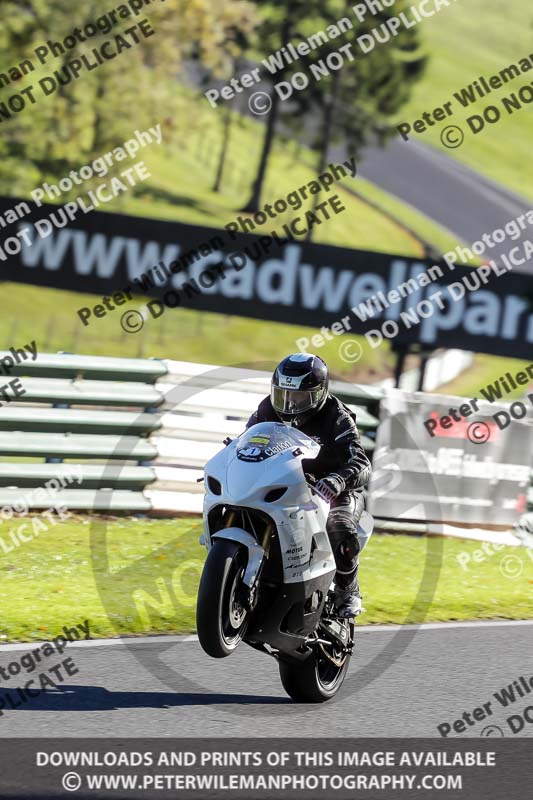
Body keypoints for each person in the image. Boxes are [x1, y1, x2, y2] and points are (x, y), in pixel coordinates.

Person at [246, 353, 372, 617]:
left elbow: (361, 462)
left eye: (300, 398)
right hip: (286, 483)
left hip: (332, 490)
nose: (290, 405)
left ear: (319, 393)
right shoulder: (267, 409)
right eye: (284, 395)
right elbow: (244, 443)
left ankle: (348, 589)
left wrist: (338, 480)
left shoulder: (336, 416)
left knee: (339, 526)